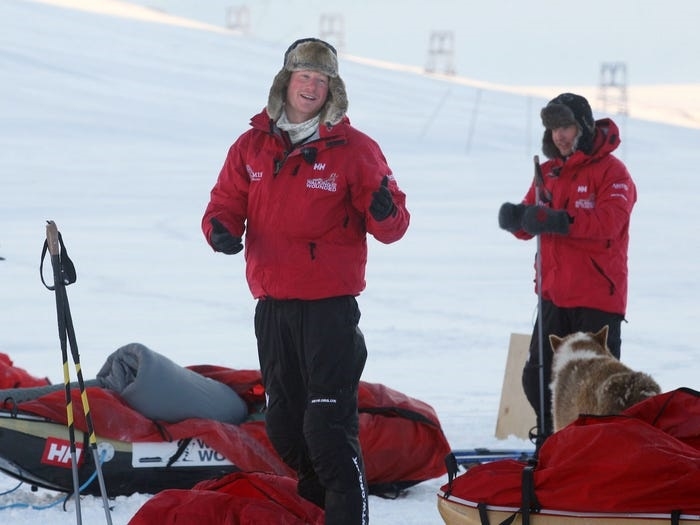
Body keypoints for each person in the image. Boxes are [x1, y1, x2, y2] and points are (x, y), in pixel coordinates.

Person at [201, 38, 410, 524]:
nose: (312, 87)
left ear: (332, 88)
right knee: (284, 427)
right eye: (304, 77)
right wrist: (221, 229)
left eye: (321, 80)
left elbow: (392, 225)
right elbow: (224, 202)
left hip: (329, 310)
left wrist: (385, 212)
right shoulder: (252, 144)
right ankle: (318, 511)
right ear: (286, 82)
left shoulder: (355, 149)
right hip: (273, 306)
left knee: (327, 428)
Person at [497, 92, 636, 448]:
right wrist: (517, 219)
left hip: (596, 298)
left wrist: (559, 220)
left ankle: (593, 457)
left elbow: (609, 222)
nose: (559, 135)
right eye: (554, 127)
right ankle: (553, 444)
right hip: (553, 296)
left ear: (584, 127)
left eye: (566, 126)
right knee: (536, 379)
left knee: (595, 387)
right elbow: (534, 220)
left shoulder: (613, 172)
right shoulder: (548, 173)